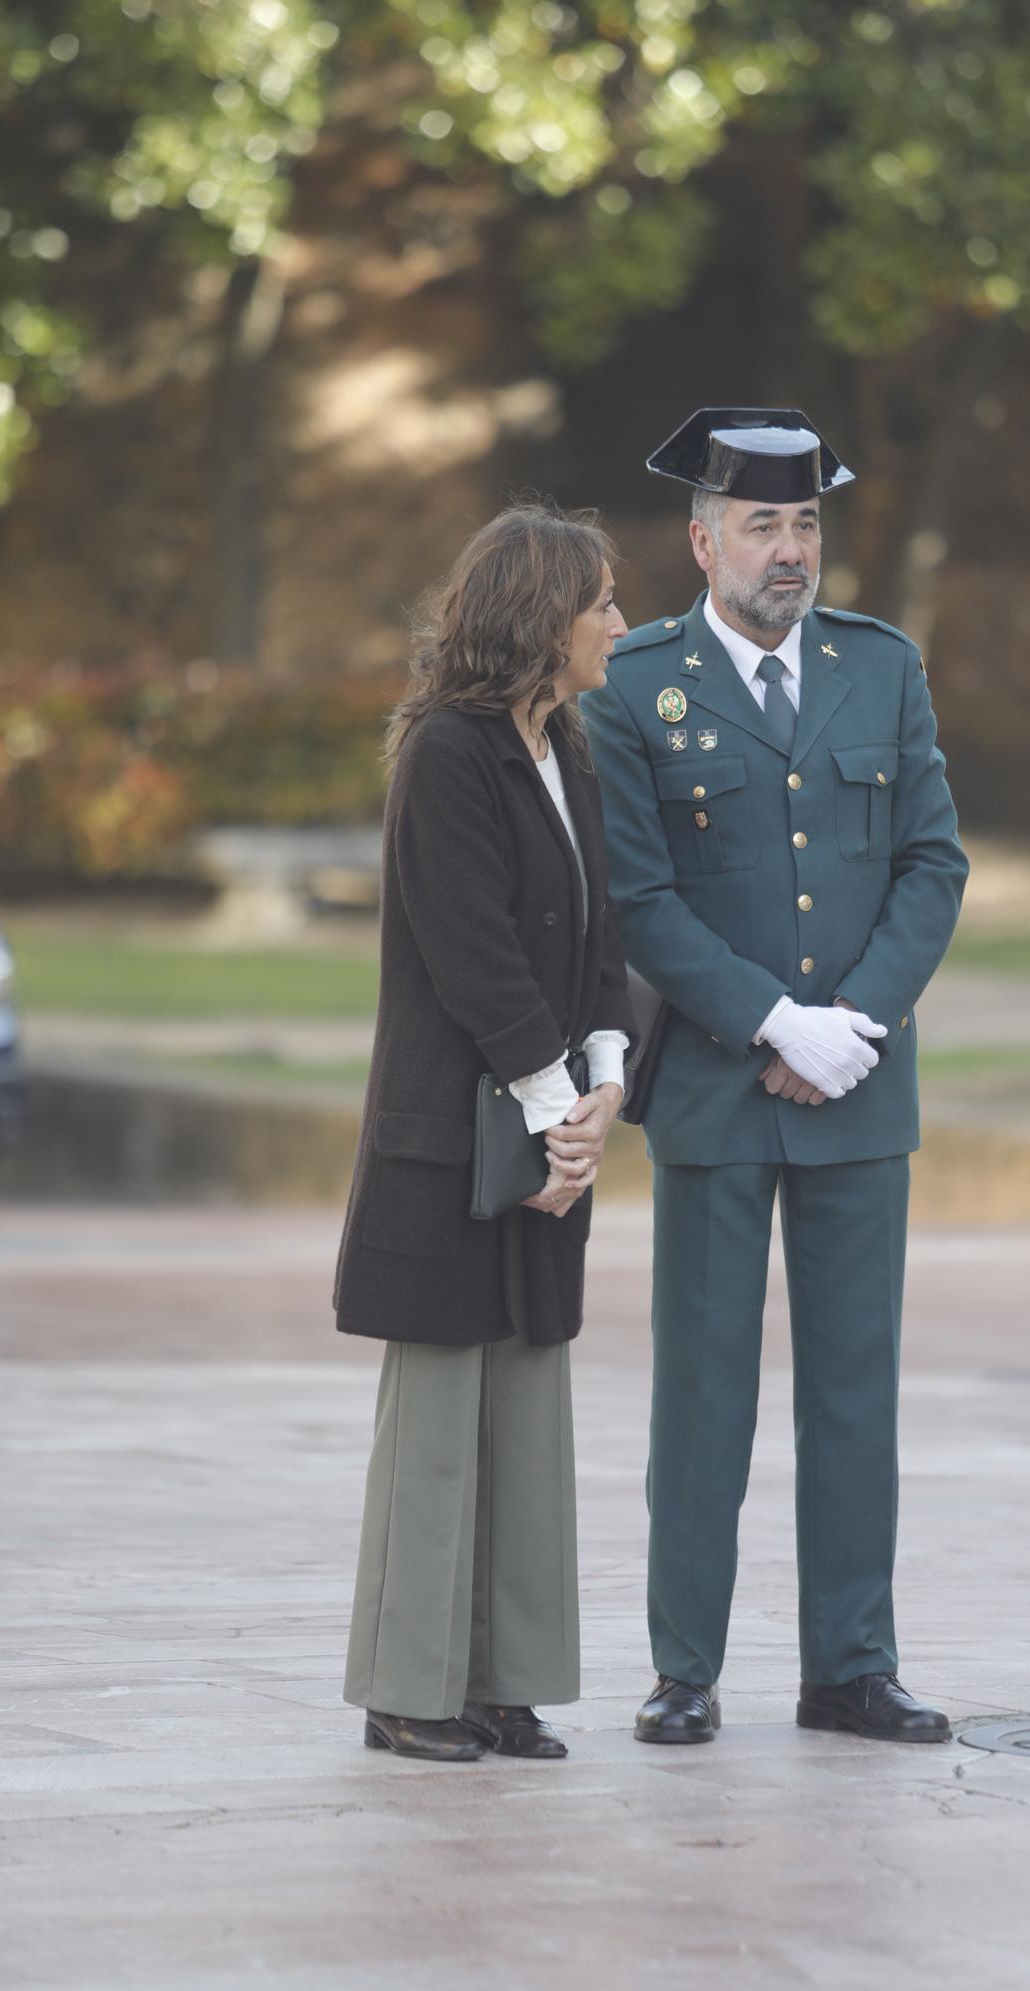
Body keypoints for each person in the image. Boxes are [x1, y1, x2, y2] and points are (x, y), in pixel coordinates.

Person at [580, 408, 968, 1747]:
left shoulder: (882, 668)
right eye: (761, 525)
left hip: (858, 1089)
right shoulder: (633, 684)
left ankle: (850, 1666)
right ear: (702, 542)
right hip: (714, 1096)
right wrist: (768, 1023)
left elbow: (933, 862)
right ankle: (683, 1666)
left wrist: (848, 1020)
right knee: (703, 1388)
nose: (788, 550)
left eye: (804, 524)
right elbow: (637, 898)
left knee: (856, 1388)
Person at [335, 501, 634, 1762]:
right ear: (542, 616)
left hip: (545, 1120)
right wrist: (554, 1100)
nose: (622, 622)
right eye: (604, 603)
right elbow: (472, 951)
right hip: (456, 1134)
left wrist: (607, 1076)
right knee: (441, 1409)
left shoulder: (569, 745)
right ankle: (409, 1689)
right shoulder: (444, 753)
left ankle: (503, 1683)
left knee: (526, 1400)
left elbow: (597, 933)